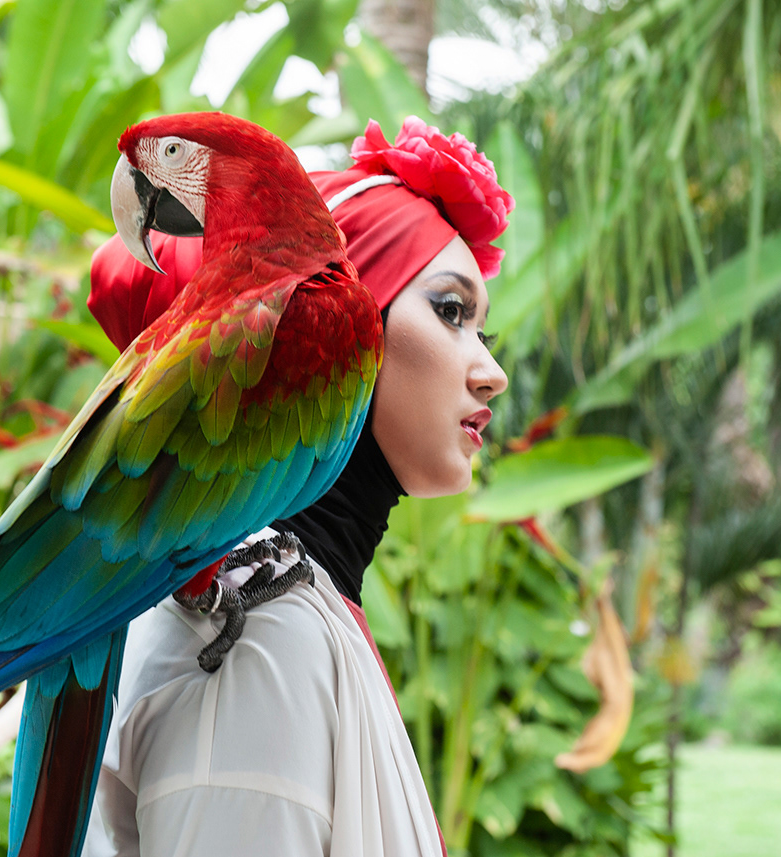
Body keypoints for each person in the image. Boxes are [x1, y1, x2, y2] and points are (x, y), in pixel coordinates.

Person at [79, 116, 513, 857]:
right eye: (449, 311)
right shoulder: (258, 636)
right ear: (343, 328)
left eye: (483, 331)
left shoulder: (304, 614)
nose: (491, 372)